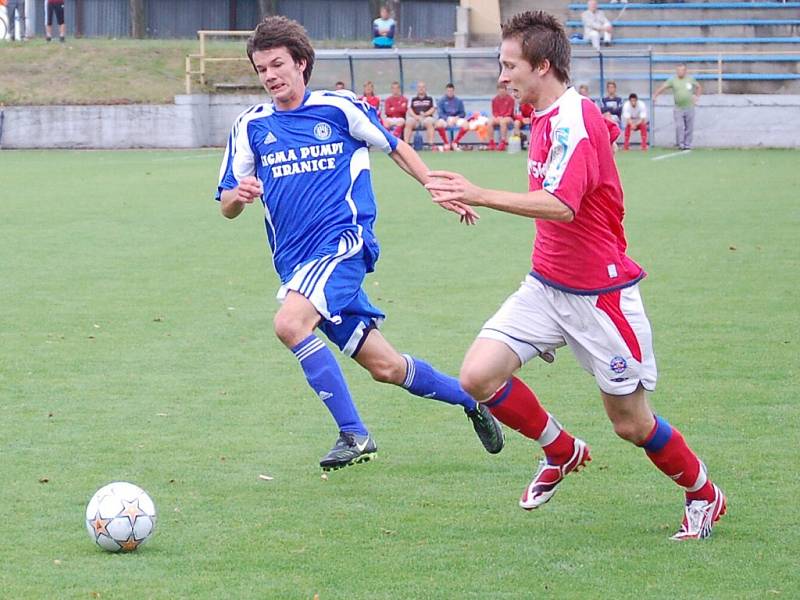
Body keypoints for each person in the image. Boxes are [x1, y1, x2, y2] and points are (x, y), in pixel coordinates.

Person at [425, 10, 726, 541]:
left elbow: (562, 204)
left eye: (508, 65)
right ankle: (561, 450)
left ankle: (704, 494)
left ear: (542, 66)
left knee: (631, 424)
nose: (501, 76)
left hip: (599, 297)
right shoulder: (551, 116)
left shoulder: (573, 119)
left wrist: (477, 193)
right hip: (546, 286)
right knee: (477, 376)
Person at [216, 16, 503, 471]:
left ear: (301, 63)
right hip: (297, 266)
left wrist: (435, 185)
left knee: (290, 324)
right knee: (386, 367)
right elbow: (226, 205)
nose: (270, 76)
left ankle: (354, 434)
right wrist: (240, 195)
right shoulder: (250, 126)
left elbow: (394, 147)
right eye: (260, 69)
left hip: (344, 246)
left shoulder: (339, 108)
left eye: (277, 64)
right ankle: (471, 400)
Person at [654, 63, 702, 150]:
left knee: (689, 126)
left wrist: (697, 97)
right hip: (678, 108)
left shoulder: (690, 79)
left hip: (689, 106)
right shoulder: (673, 80)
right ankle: (681, 144)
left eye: (682, 70)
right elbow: (663, 87)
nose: (680, 72)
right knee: (679, 126)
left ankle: (687, 144)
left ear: (685, 71)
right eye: (678, 70)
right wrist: (655, 95)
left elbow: (698, 87)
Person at [434, 83, 468, 151]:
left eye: (451, 91)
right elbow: (440, 113)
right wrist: (447, 119)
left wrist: (457, 117)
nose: (450, 93)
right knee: (438, 124)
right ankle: (446, 143)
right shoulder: (441, 101)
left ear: (454, 91)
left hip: (456, 118)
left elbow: (463, 113)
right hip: (446, 118)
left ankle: (455, 142)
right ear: (446, 91)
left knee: (466, 125)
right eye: (448, 91)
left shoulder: (458, 101)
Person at [404, 81, 436, 148]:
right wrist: (415, 116)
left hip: (427, 117)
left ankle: (431, 145)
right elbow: (409, 109)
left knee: (429, 122)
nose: (421, 89)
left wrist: (425, 114)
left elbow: (433, 108)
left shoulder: (430, 98)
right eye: (419, 87)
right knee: (409, 122)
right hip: (415, 118)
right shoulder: (412, 98)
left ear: (425, 88)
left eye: (423, 87)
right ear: (417, 89)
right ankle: (406, 145)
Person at [487, 83, 515, 151]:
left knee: (503, 122)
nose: (501, 93)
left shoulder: (511, 99)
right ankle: (491, 142)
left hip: (508, 118)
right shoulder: (494, 100)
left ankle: (503, 142)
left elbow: (510, 111)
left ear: (506, 91)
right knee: (489, 122)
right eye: (500, 91)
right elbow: (494, 111)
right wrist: (497, 117)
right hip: (498, 117)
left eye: (503, 91)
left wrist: (503, 116)